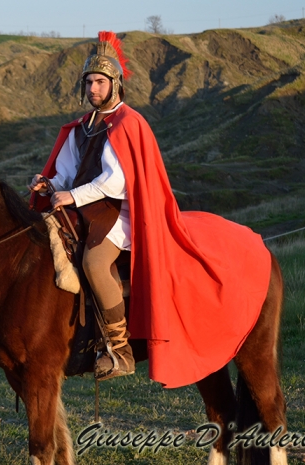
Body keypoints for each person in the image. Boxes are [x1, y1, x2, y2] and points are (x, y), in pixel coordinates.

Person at [30, 32, 271, 388]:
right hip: (82, 208)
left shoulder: (128, 124)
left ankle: (119, 348)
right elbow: (66, 171)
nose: (94, 88)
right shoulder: (81, 128)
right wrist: (51, 185)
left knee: (95, 263)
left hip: (117, 212)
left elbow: (117, 182)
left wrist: (74, 197)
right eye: (89, 82)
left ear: (115, 85)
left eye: (100, 82)